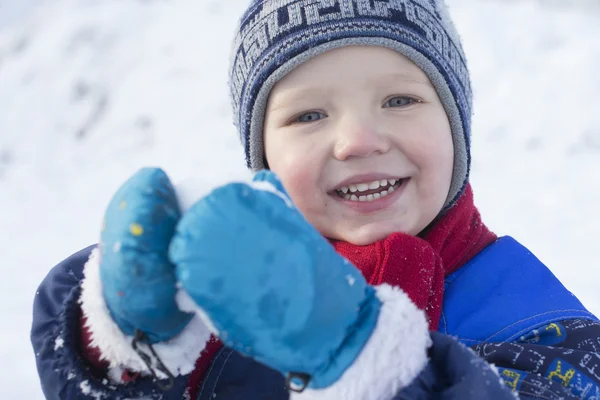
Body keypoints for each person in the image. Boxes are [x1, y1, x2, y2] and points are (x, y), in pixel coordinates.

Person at [31, 0, 600, 399]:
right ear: (264, 158)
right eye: (309, 115)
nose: (358, 141)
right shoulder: (223, 299)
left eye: (400, 100)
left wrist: (364, 363)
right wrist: (125, 338)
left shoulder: (534, 317)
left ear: (457, 126)